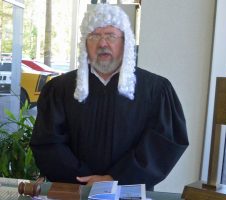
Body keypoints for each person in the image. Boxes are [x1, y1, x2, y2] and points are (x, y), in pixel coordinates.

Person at [30, 4, 189, 190]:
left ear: (125, 42)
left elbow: (164, 144)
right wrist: (85, 180)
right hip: (74, 191)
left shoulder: (156, 90)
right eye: (95, 35)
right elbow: (48, 143)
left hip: (129, 190)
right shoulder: (59, 89)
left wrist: (116, 178)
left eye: (111, 36)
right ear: (85, 44)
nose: (102, 43)